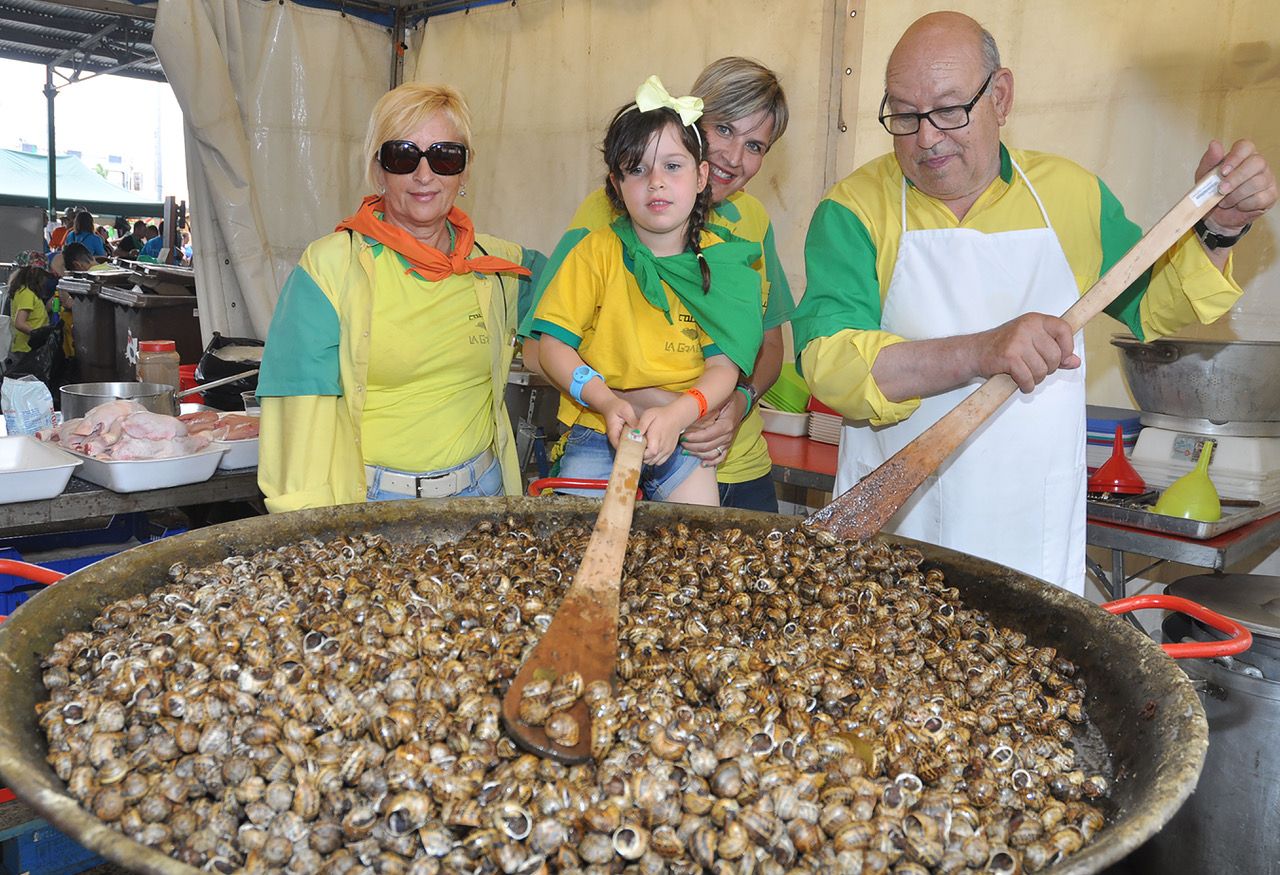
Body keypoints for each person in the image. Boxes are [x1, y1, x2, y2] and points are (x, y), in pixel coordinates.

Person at [792, 11, 1277, 594]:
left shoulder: (1072, 196)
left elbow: (1155, 311)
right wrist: (982, 351)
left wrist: (1218, 232)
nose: (925, 137)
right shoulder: (854, 208)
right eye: (904, 114)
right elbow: (830, 362)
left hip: (1029, 532)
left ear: (1001, 96)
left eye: (949, 110)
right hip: (898, 525)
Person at [257, 82, 544, 513]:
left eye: (445, 156)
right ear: (378, 170)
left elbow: (593, 288)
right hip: (374, 504)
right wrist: (305, 521)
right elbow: (295, 404)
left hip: (484, 496)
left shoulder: (502, 266)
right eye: (403, 155)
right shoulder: (330, 267)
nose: (424, 175)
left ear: (464, 172)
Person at [522, 57, 792, 512]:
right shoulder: (600, 235)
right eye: (723, 129)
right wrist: (620, 399)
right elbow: (542, 346)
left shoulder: (737, 240)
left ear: (696, 173)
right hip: (603, 432)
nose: (734, 156)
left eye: (755, 145)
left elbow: (760, 350)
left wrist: (731, 404)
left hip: (729, 459)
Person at [4, 251, 57, 369]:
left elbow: (38, 312)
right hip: (26, 350)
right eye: (43, 275)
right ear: (34, 273)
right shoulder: (26, 293)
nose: (44, 280)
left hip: (26, 348)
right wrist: (38, 335)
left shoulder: (25, 291)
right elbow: (20, 322)